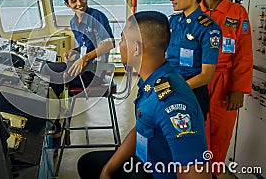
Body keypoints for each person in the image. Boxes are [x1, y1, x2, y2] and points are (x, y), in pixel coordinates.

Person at [77, 11, 210, 179]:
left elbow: (196, 174)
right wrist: (108, 170)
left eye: (123, 39)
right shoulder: (153, 79)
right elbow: (142, 127)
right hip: (144, 160)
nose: (120, 44)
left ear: (136, 48)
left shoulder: (172, 104)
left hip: (156, 173)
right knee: (88, 163)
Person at [200, 0, 253, 177]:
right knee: (196, 130)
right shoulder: (193, 9)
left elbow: (244, 53)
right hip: (198, 79)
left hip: (225, 81)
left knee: (221, 133)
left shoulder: (237, 12)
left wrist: (238, 89)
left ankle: (213, 174)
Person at [41, 0, 115, 135]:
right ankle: (55, 120)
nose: (79, 3)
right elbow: (85, 46)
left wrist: (84, 58)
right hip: (82, 68)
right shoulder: (73, 22)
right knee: (47, 68)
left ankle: (55, 123)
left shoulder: (97, 16)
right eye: (73, 1)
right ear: (67, 4)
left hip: (94, 72)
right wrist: (73, 51)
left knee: (48, 71)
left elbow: (109, 43)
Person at [166, 0, 222, 120]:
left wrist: (177, 89)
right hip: (170, 84)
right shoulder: (173, 21)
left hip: (192, 92)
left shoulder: (209, 29)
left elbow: (206, 75)